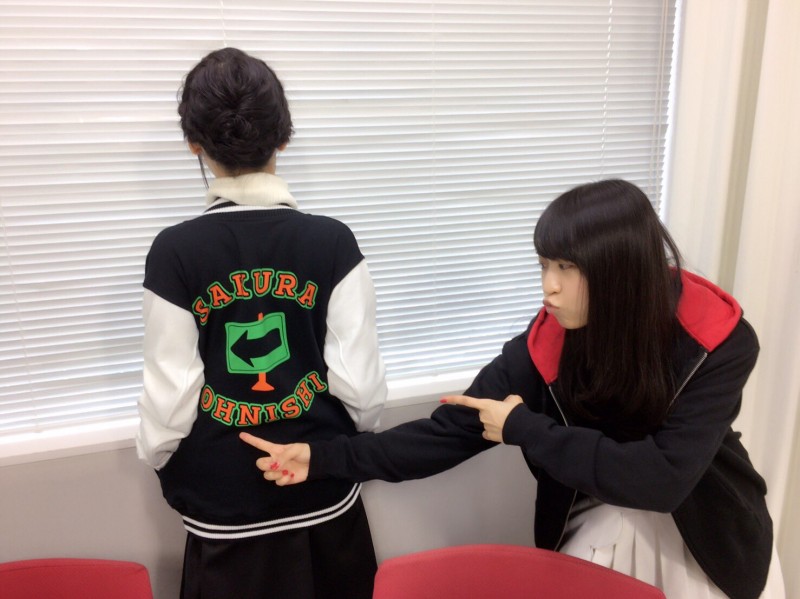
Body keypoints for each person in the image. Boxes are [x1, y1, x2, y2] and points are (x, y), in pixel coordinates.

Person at [241, 179, 785, 599]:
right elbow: (448, 433)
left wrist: (525, 429)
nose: (548, 286)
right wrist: (324, 457)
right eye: (544, 264)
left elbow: (662, 480)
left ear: (618, 270)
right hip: (601, 524)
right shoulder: (544, 345)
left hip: (706, 531)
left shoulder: (717, 341)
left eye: (566, 267)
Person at [136, 47, 387, 599]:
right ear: (284, 137)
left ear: (194, 143)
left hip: (223, 508)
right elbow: (361, 392)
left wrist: (166, 463)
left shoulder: (174, 252)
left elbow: (170, 400)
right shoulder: (333, 243)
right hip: (322, 493)